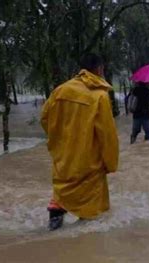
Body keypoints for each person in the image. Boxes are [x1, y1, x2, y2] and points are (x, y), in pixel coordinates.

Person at [41, 53, 119, 231]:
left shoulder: (60, 90)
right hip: (88, 158)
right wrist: (111, 162)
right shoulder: (100, 95)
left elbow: (45, 117)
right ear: (99, 69)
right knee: (91, 211)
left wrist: (58, 139)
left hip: (63, 155)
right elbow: (107, 134)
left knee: (62, 187)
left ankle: (56, 212)